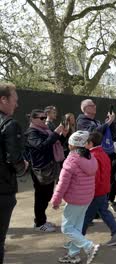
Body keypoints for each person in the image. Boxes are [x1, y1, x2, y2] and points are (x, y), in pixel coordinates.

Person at [51, 131, 100, 264]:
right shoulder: (91, 157)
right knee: (76, 227)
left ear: (72, 145)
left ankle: (89, 246)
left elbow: (62, 184)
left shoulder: (70, 161)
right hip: (86, 198)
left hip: (75, 200)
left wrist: (56, 200)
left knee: (66, 228)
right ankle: (73, 254)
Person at [25, 109, 67, 232]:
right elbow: (42, 146)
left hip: (50, 166)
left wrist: (62, 135)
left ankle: (40, 219)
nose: (45, 120)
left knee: (47, 195)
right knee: (41, 196)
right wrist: (55, 133)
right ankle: (39, 223)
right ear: (33, 119)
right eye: (41, 118)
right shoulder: (31, 132)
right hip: (40, 168)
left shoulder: (45, 130)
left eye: (45, 117)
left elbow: (56, 144)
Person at [0, 83, 28, 263]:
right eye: (14, 100)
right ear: (3, 100)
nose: (16, 105)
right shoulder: (10, 124)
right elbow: (14, 159)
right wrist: (23, 165)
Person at [82, 132, 116, 246]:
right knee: (104, 212)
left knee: (87, 216)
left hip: (96, 190)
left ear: (90, 143)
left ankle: (77, 239)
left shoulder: (93, 156)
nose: (84, 145)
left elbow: (94, 176)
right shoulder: (103, 154)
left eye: (86, 143)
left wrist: (89, 190)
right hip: (104, 188)